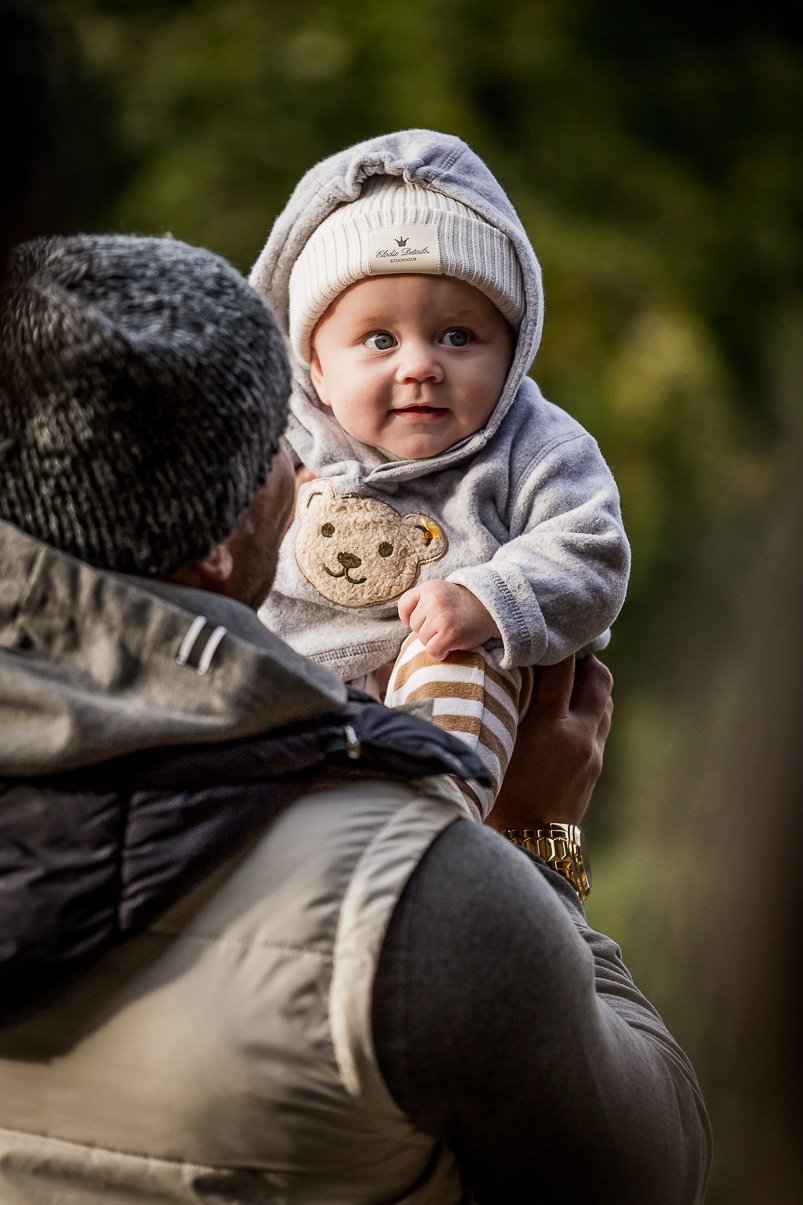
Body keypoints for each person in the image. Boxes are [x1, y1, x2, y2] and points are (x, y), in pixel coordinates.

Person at [0, 233, 710, 1203]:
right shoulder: (428, 898)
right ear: (219, 540)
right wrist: (535, 845)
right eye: (284, 453)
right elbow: (648, 1167)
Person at [250, 128, 631, 818]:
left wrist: (490, 598)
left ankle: (430, 824)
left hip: (457, 667)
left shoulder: (534, 444)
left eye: (458, 336)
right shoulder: (277, 444)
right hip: (305, 680)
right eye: (379, 339)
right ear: (317, 368)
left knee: (456, 660)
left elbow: (592, 551)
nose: (421, 364)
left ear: (513, 352)